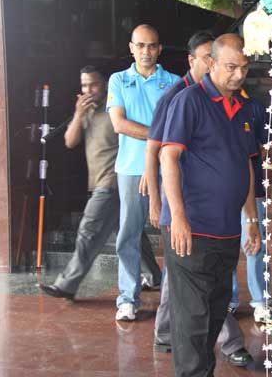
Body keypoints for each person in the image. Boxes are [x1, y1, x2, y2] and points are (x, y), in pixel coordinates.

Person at [146, 30, 253, 367]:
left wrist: (251, 219)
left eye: (244, 68)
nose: (238, 75)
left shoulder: (243, 106)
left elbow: (246, 165)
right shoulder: (188, 100)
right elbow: (168, 156)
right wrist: (177, 217)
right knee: (192, 317)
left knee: (217, 309)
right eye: (231, 67)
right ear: (211, 64)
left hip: (227, 229)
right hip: (192, 228)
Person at [39, 66, 159, 300]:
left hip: (113, 182)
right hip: (101, 182)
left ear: (104, 85)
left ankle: (67, 284)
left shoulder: (116, 109)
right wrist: (78, 114)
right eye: (84, 85)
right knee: (131, 233)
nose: (88, 90)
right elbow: (70, 141)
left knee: (88, 231)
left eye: (93, 84)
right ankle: (155, 277)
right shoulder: (88, 112)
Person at [107, 24, 179, 321]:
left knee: (173, 234)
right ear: (131, 48)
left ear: (159, 49)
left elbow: (177, 129)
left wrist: (156, 143)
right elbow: (119, 124)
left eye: (151, 46)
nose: (146, 51)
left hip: (168, 170)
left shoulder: (174, 83)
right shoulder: (119, 80)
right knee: (128, 235)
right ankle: (127, 298)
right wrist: (157, 137)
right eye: (140, 45)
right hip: (130, 170)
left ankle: (173, 300)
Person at [230, 94, 270, 324]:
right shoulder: (207, 104)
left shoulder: (253, 106)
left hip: (252, 188)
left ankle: (260, 299)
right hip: (220, 190)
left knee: (254, 244)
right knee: (225, 244)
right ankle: (228, 298)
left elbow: (265, 145)